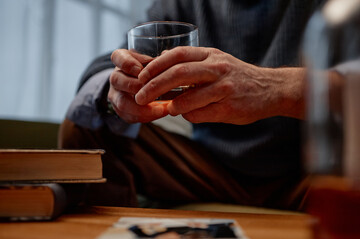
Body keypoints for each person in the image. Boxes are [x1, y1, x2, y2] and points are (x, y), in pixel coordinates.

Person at [59, 0, 328, 210]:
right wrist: (116, 90)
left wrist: (273, 87)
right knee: (85, 123)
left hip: (313, 171)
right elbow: (112, 62)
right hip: (207, 169)